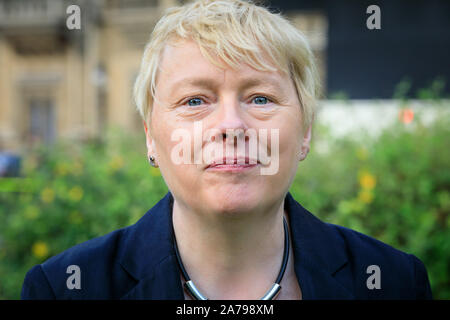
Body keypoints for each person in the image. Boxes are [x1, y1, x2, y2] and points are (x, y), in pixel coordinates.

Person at [21, 0, 432, 300]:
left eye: (260, 98)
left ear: (305, 131)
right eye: (195, 101)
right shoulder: (65, 288)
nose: (231, 125)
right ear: (150, 136)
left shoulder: (395, 282)